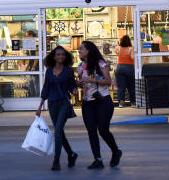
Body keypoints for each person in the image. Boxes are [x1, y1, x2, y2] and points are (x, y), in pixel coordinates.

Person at [77, 40, 122, 169]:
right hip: (87, 102)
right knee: (91, 131)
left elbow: (109, 81)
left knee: (102, 130)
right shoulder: (80, 66)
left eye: (82, 49)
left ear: (89, 51)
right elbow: (84, 83)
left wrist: (91, 79)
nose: (79, 51)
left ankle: (115, 151)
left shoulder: (100, 64)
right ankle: (97, 159)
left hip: (102, 101)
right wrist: (79, 84)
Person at [35, 46, 79, 171]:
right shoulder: (49, 71)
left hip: (64, 103)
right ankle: (71, 154)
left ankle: (56, 160)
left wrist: (75, 90)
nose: (61, 56)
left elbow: (72, 87)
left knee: (58, 130)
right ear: (54, 57)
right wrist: (39, 108)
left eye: (63, 55)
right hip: (52, 104)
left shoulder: (68, 71)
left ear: (66, 57)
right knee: (59, 132)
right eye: (58, 54)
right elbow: (46, 89)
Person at [115, 35, 136, 107]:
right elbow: (132, 57)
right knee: (131, 86)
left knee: (121, 86)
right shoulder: (131, 48)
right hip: (130, 68)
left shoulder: (118, 48)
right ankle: (133, 102)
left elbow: (116, 52)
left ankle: (121, 103)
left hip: (120, 68)